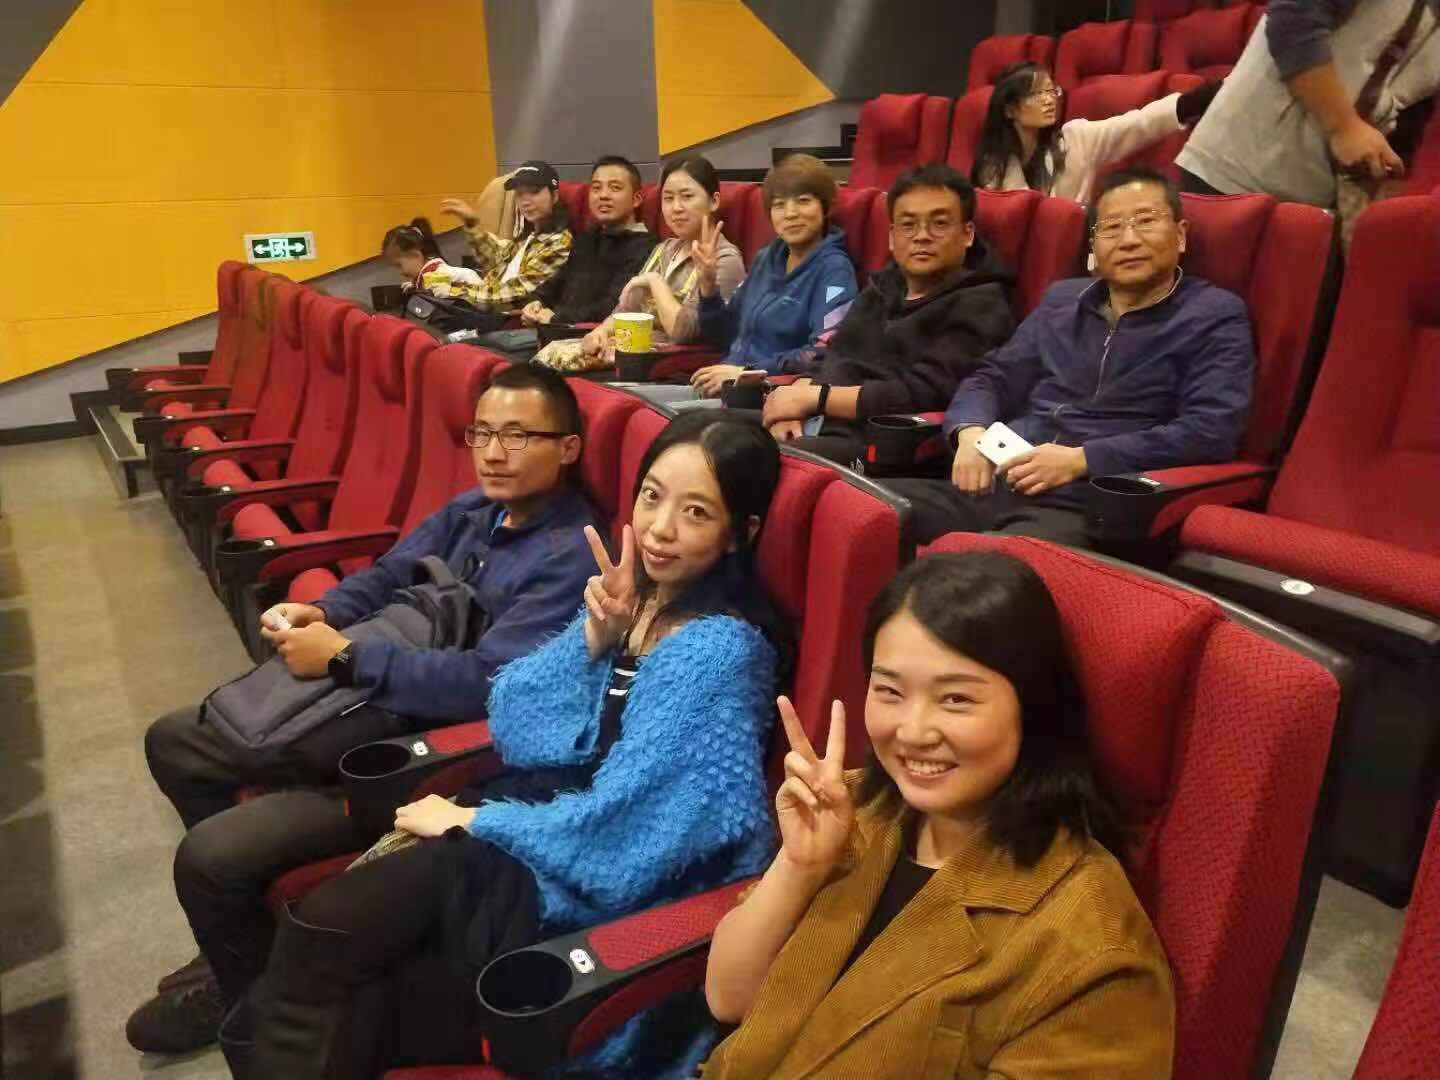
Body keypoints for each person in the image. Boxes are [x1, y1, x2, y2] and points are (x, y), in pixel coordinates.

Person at [230, 413, 788, 1079]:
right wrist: (594, 641)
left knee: (327, 942)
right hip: (536, 828)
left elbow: (633, 839)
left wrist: (475, 821)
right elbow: (515, 718)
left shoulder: (720, 651)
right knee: (312, 982)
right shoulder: (634, 602)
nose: (661, 528)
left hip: (580, 888)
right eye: (651, 496)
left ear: (740, 533)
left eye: (696, 512)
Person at [126, 365, 601, 1055]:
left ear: (568, 448)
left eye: (519, 436)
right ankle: (240, 955)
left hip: (422, 752)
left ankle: (248, 1000)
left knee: (210, 858)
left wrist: (346, 659)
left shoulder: (568, 557)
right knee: (174, 740)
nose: (494, 452)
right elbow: (387, 575)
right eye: (482, 433)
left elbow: (487, 684)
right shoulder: (473, 511)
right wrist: (322, 612)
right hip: (365, 698)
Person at [703, 551, 1175, 1078]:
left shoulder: (1091, 947)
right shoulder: (855, 807)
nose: (912, 731)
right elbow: (728, 999)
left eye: (955, 700)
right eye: (889, 691)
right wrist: (799, 867)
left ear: (1035, 707)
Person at [886, 168, 1255, 547]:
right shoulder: (1063, 300)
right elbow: (993, 377)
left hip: (1085, 505)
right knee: (867, 509)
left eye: (1146, 221)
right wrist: (970, 432)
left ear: (1180, 235)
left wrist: (1083, 459)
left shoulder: (1213, 314)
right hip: (995, 482)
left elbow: (1210, 431)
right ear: (1093, 245)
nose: (1129, 240)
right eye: (1112, 228)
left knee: (971, 566)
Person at [760, 164, 1016, 464]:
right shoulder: (884, 285)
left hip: (881, 444)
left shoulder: (981, 303)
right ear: (892, 237)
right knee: (717, 431)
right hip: (819, 421)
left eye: (939, 224)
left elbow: (925, 393)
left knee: (743, 461)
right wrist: (791, 406)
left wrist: (816, 399)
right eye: (908, 225)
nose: (922, 236)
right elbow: (835, 354)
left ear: (967, 233)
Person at [1177, 0, 1440, 209]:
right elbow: (1292, 23)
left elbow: (1413, 108)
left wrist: (1388, 185)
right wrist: (1344, 126)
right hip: (1233, 170)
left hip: (1316, 201)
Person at [535, 155, 744, 373]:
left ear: (714, 201)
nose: (676, 208)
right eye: (668, 198)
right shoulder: (666, 248)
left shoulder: (725, 259)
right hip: (632, 357)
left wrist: (655, 282)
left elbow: (683, 331)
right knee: (542, 365)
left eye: (687, 197)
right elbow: (627, 308)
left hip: (674, 368)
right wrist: (602, 332)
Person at [690, 154, 858, 396]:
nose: (790, 213)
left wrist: (748, 372)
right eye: (779, 205)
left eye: (803, 201)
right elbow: (724, 335)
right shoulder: (765, 259)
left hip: (767, 395)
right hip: (725, 386)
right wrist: (708, 288)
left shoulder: (835, 270)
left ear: (825, 207)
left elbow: (823, 353)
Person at [971, 61, 1222, 205]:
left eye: (1050, 91)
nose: (1048, 100)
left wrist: (1193, 102)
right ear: (1009, 109)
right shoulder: (993, 168)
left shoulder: (1076, 139)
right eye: (1036, 94)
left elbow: (1137, 124)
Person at [513, 155, 657, 334]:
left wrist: (557, 318)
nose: (603, 195)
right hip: (550, 330)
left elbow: (614, 307)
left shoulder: (645, 246)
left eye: (615, 188)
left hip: (590, 336)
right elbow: (554, 284)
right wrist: (536, 303)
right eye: (596, 188)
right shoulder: (586, 238)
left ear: (636, 199)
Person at [437, 160, 573, 322]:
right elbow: (495, 260)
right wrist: (472, 223)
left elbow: (516, 290)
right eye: (519, 194)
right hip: (491, 315)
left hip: (516, 322)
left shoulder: (559, 242)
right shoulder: (529, 236)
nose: (525, 201)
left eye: (534, 192)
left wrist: (456, 291)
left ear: (554, 196)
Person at [380, 218, 480, 300]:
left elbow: (483, 299)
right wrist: (416, 287)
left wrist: (455, 292)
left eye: (399, 265)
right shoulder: (426, 279)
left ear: (415, 255)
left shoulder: (447, 275)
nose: (400, 272)